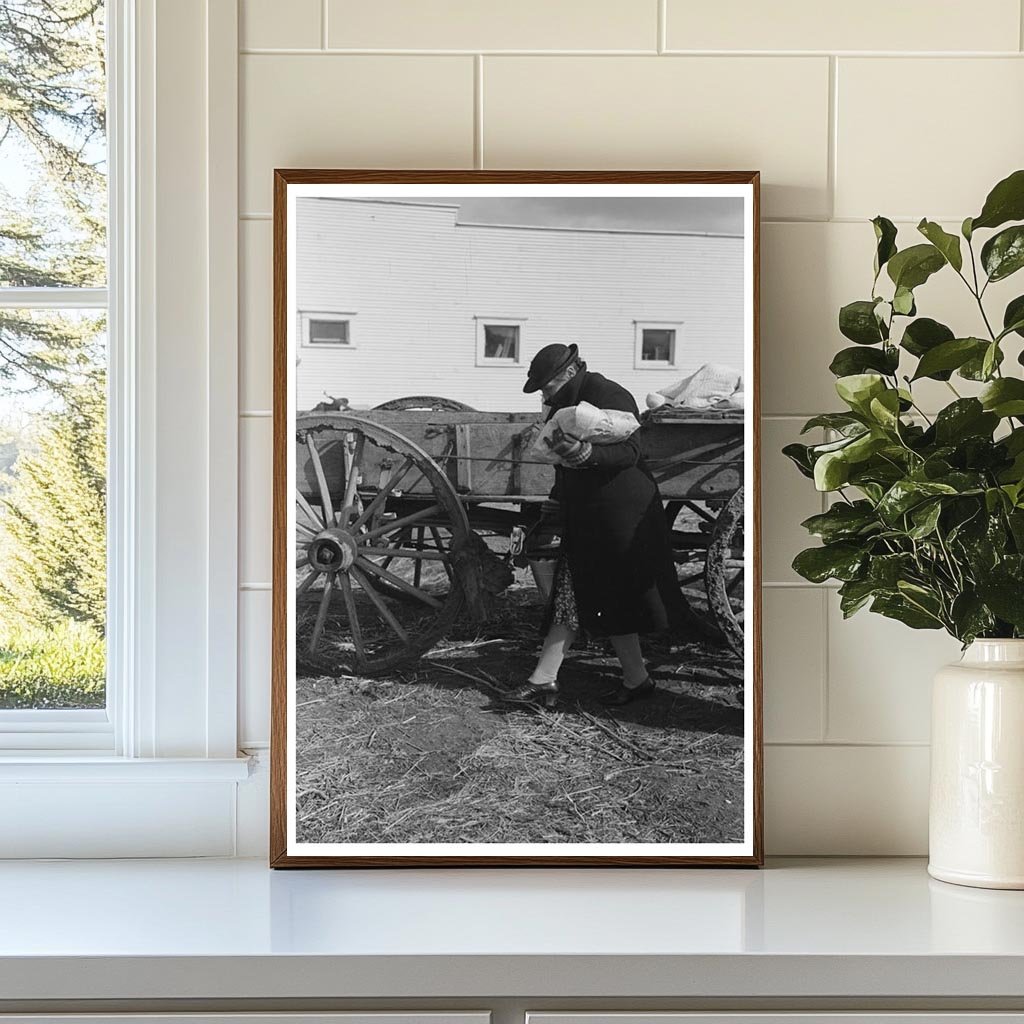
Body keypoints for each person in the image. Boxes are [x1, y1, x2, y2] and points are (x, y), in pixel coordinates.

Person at [504, 343, 687, 709]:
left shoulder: (608, 394)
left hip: (621, 512)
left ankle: (548, 680)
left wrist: (587, 454)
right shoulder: (563, 403)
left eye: (547, 385)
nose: (544, 394)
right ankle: (629, 679)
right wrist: (558, 498)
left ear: (570, 372)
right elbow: (562, 462)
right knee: (588, 595)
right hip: (589, 513)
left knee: (597, 595)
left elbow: (630, 452)